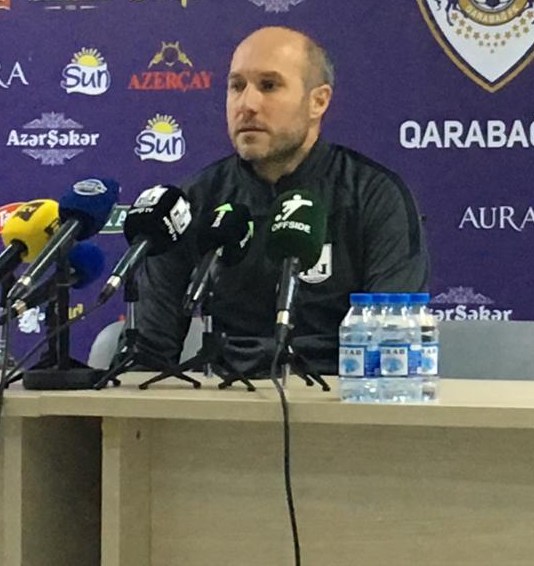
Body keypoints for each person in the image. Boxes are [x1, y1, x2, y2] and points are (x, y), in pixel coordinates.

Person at [135, 26, 429, 372]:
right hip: (226, 397)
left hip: (340, 395)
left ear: (318, 101)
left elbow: (390, 345)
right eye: (236, 86)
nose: (247, 105)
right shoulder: (193, 202)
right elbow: (148, 354)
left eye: (269, 85)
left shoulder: (373, 195)